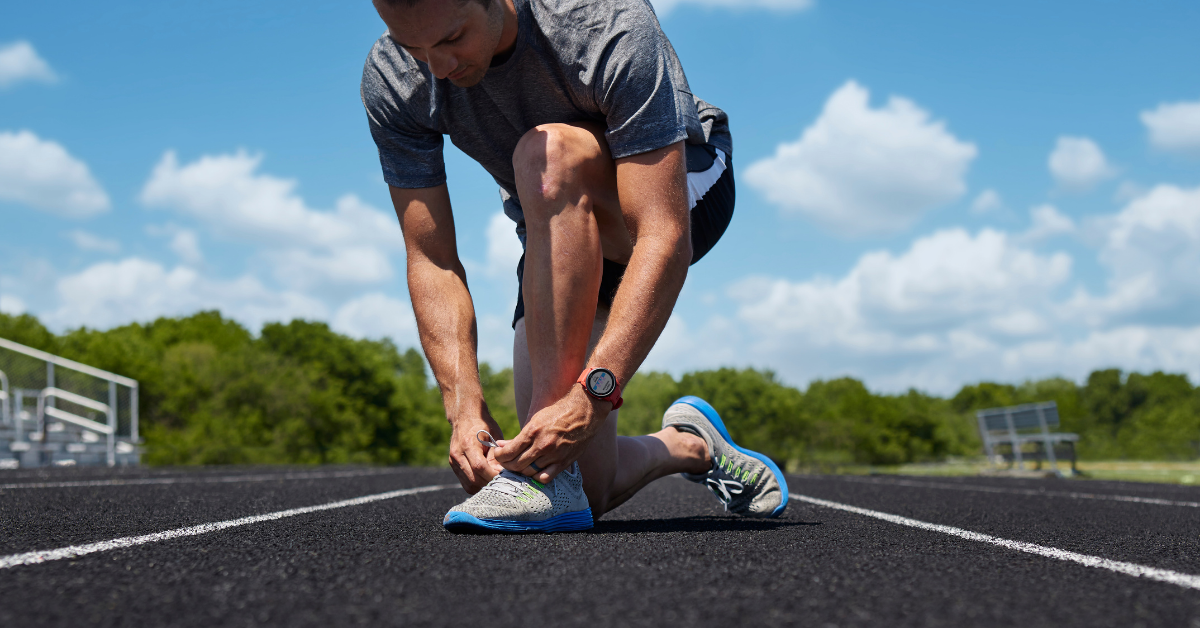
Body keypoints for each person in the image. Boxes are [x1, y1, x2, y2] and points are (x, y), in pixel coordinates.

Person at [361, 0, 788, 532]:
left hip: (679, 193)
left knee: (547, 152)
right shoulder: (393, 78)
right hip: (557, 225)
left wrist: (594, 394)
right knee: (576, 479)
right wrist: (463, 405)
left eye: (451, 39)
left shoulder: (604, 21)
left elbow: (663, 235)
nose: (436, 68)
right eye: (412, 48)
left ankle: (553, 444)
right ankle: (691, 445)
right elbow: (432, 258)